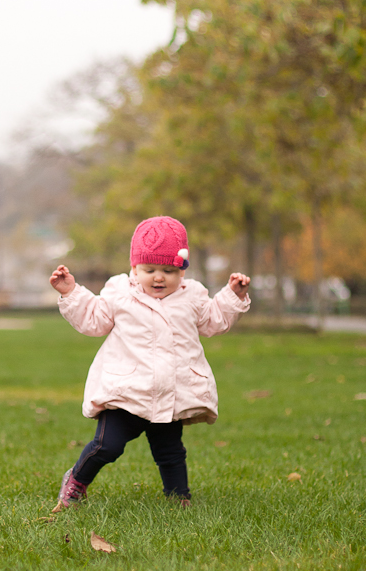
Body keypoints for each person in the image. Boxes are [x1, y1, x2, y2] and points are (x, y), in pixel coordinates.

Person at [49, 215, 250, 508]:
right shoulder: (120, 293)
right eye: (150, 269)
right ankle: (77, 480)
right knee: (108, 446)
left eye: (169, 270)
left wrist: (233, 296)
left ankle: (179, 498)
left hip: (169, 391)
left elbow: (213, 321)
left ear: (182, 271)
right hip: (125, 390)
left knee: (170, 450)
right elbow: (94, 319)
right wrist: (71, 292)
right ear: (134, 268)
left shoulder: (191, 296)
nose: (159, 277)